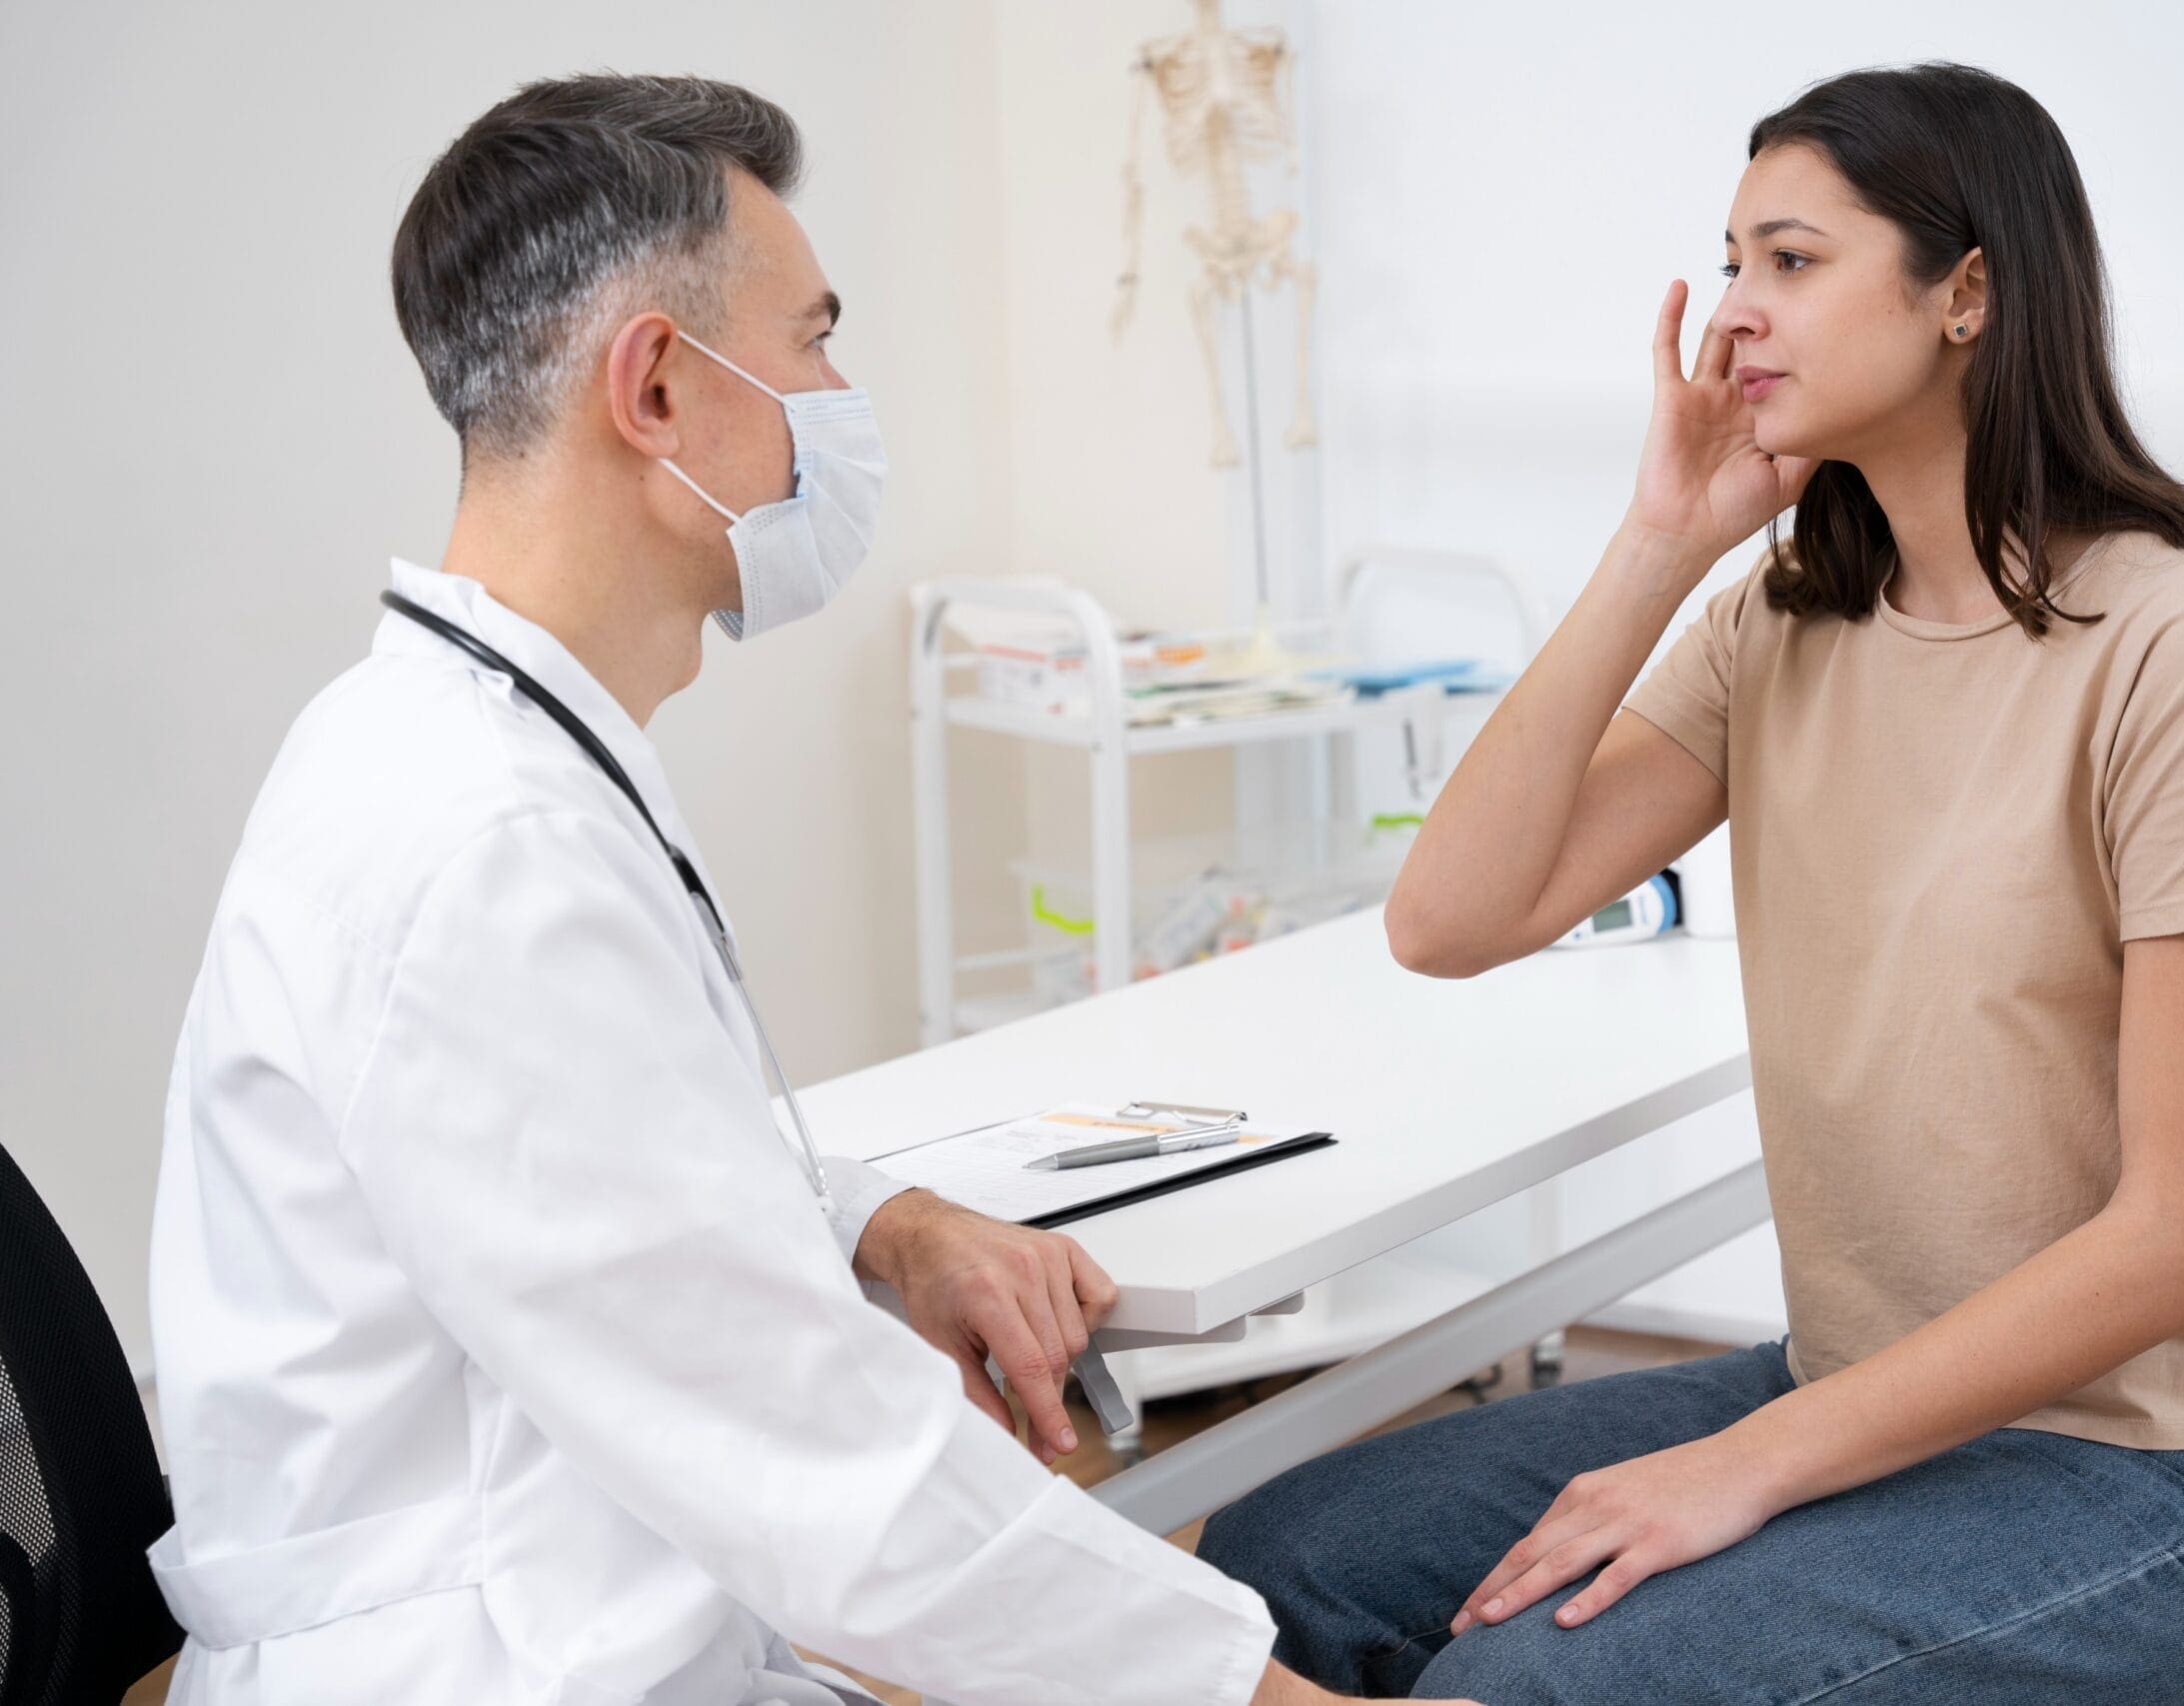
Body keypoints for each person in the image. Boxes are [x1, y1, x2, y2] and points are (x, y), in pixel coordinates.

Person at [144, 74, 1418, 1706]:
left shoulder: (475, 744)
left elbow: (632, 1184)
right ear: (659, 389)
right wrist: (1269, 1703)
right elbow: (832, 1474)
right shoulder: (480, 846)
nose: (842, 396)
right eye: (813, 341)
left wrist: (887, 1222)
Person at [1197, 60, 2184, 1705]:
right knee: (1269, 1571)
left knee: (1533, 1685)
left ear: (1970, 293)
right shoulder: (1780, 625)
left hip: (2172, 1472)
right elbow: (1449, 920)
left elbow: (2182, 1239)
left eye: (1792, 262)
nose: (1735, 312)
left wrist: (1746, 1465)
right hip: (1857, 1389)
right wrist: (1667, 533)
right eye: (1732, 259)